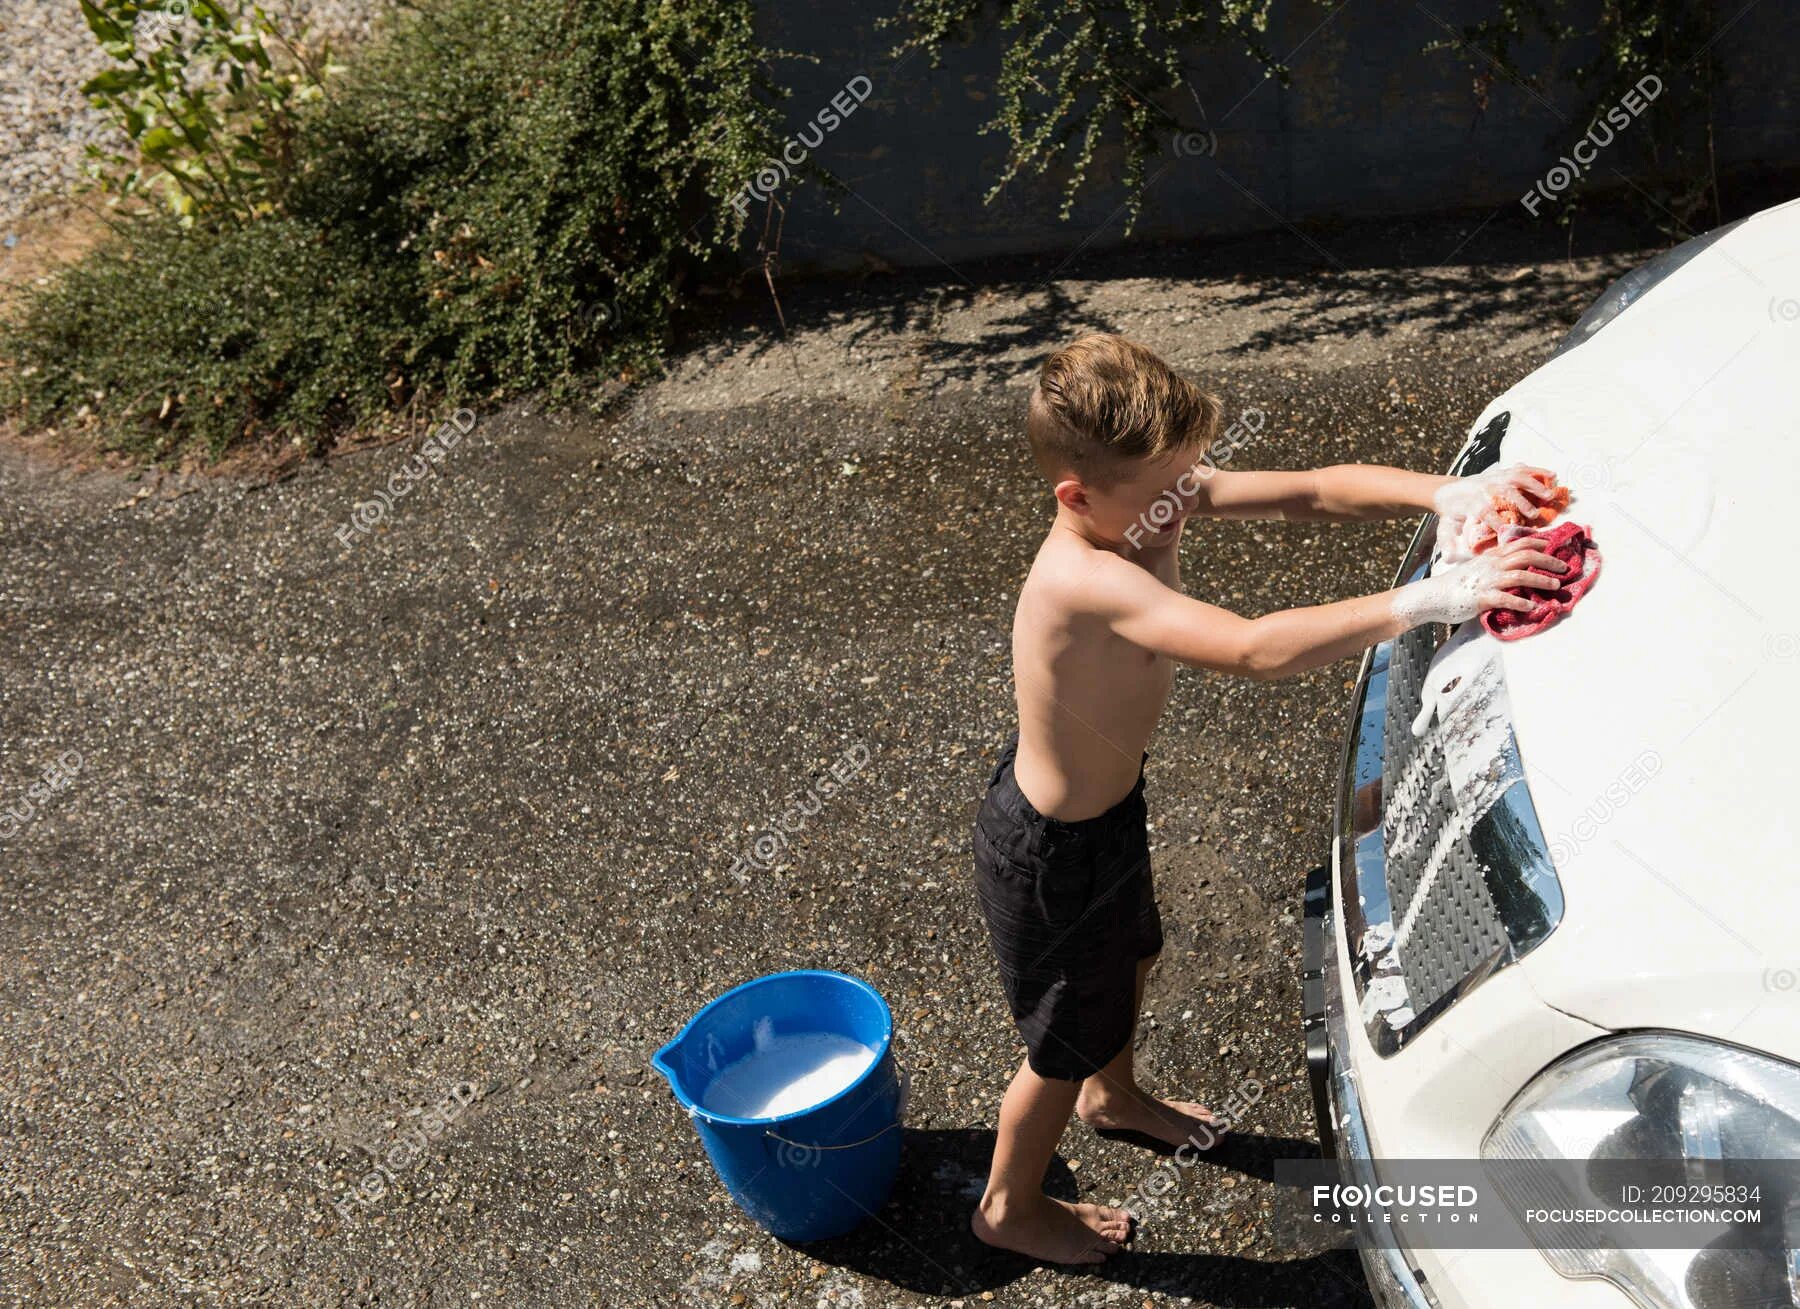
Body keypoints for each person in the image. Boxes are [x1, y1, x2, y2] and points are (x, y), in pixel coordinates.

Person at [970, 333, 1566, 1264]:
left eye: (1188, 479)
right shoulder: (1085, 579)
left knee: (1130, 960)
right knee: (1059, 1040)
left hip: (1105, 815)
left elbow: (1309, 488)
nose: (1183, 502)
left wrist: (1444, 492)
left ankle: (1112, 1095)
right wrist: (1430, 599)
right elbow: (1253, 647)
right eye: (1161, 493)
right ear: (1077, 498)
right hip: (1051, 851)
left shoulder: (1142, 499)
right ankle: (1008, 1204)